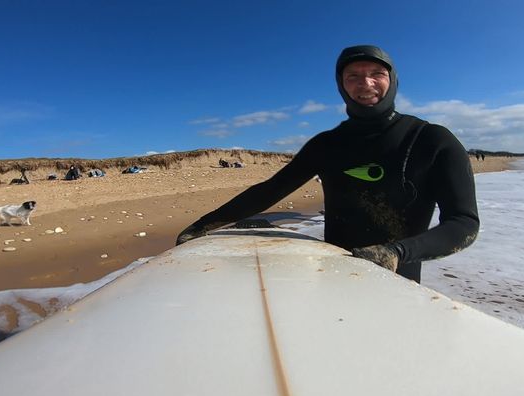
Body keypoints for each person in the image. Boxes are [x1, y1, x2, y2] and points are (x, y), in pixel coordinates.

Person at [176, 45, 479, 283]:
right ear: (341, 85)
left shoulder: (431, 140)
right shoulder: (327, 144)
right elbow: (271, 190)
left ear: (394, 79)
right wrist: (206, 223)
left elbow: (464, 223)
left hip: (398, 284)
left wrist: (398, 252)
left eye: (376, 73)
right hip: (333, 279)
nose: (366, 83)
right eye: (353, 76)